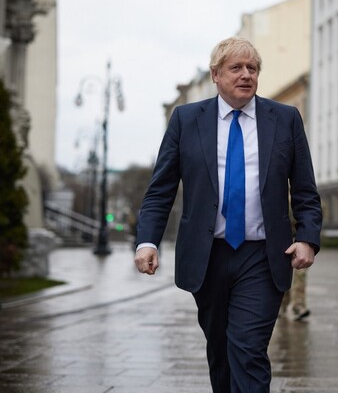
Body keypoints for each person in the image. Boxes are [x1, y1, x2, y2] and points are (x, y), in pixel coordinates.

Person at [134, 36, 322, 392]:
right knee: (221, 350)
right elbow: (161, 189)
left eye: (253, 68)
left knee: (248, 348)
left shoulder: (284, 119)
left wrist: (308, 239)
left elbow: (305, 189)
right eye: (236, 68)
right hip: (207, 257)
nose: (246, 75)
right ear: (215, 75)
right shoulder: (187, 119)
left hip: (263, 256)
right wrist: (147, 242)